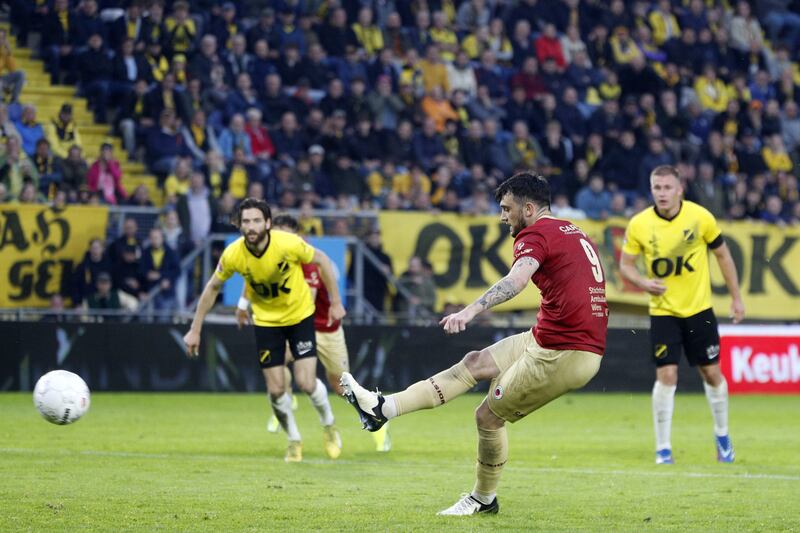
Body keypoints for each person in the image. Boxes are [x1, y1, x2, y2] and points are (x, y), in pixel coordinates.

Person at [341, 172, 608, 515]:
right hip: (553, 336)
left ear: (528, 208)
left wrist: (470, 310)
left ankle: (483, 499)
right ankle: (382, 409)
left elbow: (517, 280)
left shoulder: (535, 234)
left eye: (506, 208)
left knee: (487, 417)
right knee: (475, 363)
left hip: (565, 351)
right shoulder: (569, 229)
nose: (502, 217)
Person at [183, 198, 346, 463]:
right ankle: (294, 440)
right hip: (267, 323)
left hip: (299, 317)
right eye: (246, 221)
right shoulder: (234, 254)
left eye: (257, 220)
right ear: (240, 225)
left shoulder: (287, 243)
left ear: (268, 223)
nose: (251, 226)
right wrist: (195, 329)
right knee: (277, 390)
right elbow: (213, 287)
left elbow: (323, 261)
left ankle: (328, 424)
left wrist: (336, 302)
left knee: (305, 382)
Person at [619, 165, 745, 465]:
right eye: (656, 187)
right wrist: (642, 282)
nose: (661, 193)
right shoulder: (639, 224)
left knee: (711, 373)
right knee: (667, 374)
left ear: (679, 190)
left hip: (699, 309)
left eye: (667, 187)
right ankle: (663, 448)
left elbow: (723, 255)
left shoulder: (700, 218)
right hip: (663, 312)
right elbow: (625, 265)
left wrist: (737, 298)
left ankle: (723, 436)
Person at [237, 214, 391, 452]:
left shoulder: (308, 259)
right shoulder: (272, 258)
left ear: (299, 237)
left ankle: (379, 423)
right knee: (277, 365)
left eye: (287, 234)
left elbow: (306, 301)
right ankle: (286, 400)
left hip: (325, 328)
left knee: (342, 387)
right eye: (278, 234)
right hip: (297, 328)